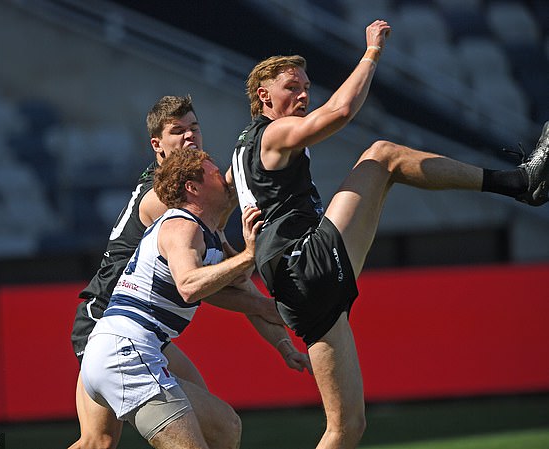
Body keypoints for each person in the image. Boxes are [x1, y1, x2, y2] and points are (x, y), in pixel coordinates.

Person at [228, 19, 549, 449]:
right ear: (263, 96)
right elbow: (340, 112)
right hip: (305, 264)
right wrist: (371, 53)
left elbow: (223, 199)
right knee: (383, 156)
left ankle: (522, 184)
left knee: (346, 429)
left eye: (307, 84)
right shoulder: (273, 133)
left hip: (294, 291)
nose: (304, 93)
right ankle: (518, 183)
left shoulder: (239, 151)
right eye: (291, 86)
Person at [70, 96, 310, 449]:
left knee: (218, 425)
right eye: (177, 131)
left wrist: (281, 342)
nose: (189, 137)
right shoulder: (170, 202)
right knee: (102, 441)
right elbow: (196, 284)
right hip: (105, 318)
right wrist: (277, 135)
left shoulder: (199, 208)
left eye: (194, 128)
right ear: (157, 146)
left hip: (144, 333)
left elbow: (236, 285)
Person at [81, 148, 264, 448]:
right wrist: (247, 257)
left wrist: (272, 309)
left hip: (122, 350)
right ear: (193, 188)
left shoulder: (202, 232)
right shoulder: (183, 225)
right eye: (215, 172)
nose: (223, 178)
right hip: (126, 352)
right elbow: (189, 285)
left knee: (224, 427)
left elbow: (234, 283)